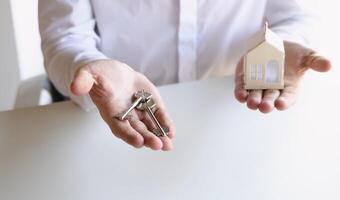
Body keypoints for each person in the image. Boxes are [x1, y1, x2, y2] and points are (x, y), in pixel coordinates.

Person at [38, 0, 331, 151]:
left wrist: (283, 43)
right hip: (105, 131)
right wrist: (89, 65)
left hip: (238, 119)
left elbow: (295, 15)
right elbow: (65, 35)